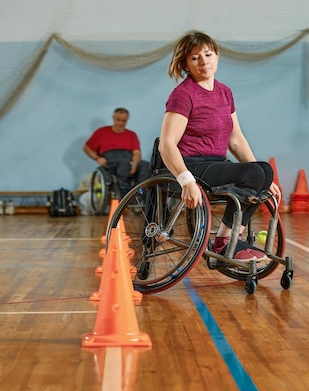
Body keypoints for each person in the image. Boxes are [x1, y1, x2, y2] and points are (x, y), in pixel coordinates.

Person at [158, 32, 281, 262]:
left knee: (263, 170)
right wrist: (186, 180)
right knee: (256, 171)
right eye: (195, 58)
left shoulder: (225, 92)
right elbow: (166, 145)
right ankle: (224, 242)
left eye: (208, 54)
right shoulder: (183, 95)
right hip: (192, 164)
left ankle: (228, 239)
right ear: (185, 64)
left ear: (217, 56)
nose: (204, 61)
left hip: (216, 163)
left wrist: (265, 180)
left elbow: (235, 140)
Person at [83, 107, 150, 196]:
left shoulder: (131, 135)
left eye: (123, 121)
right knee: (124, 164)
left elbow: (137, 153)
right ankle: (125, 197)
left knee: (146, 166)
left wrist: (134, 163)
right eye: (118, 120)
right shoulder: (101, 132)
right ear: (113, 118)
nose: (120, 123)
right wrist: (97, 158)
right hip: (111, 158)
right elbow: (87, 148)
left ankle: (138, 195)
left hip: (128, 158)